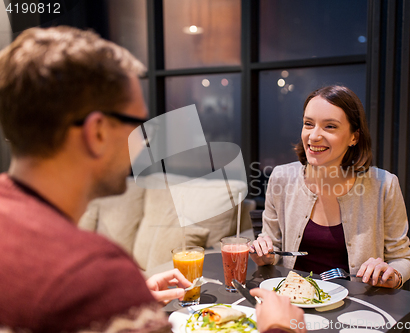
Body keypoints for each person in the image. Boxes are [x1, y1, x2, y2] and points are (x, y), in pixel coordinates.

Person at [0, 26, 305, 333]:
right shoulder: (93, 275)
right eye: (137, 125)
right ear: (98, 133)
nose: (144, 143)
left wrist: (133, 299)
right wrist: (281, 328)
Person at [250, 85, 410, 289]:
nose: (314, 136)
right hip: (292, 301)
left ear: (354, 137)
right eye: (308, 124)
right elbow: (272, 247)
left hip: (357, 307)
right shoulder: (281, 178)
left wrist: (392, 274)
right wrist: (263, 254)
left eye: (330, 126)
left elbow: (401, 259)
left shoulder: (384, 185)